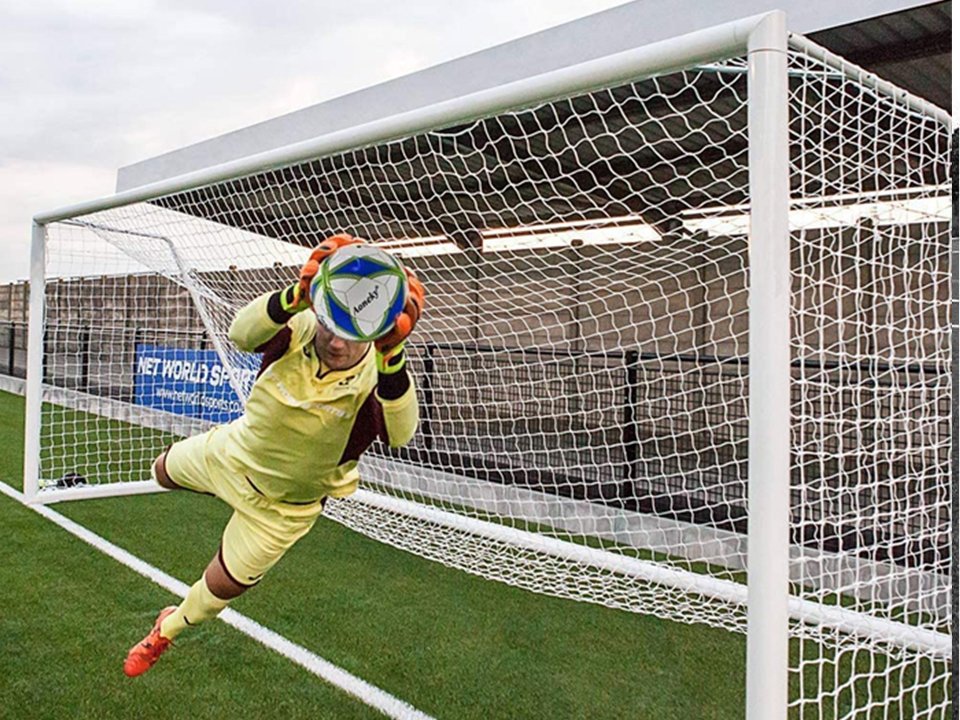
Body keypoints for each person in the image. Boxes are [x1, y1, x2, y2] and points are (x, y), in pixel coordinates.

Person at [123, 233, 425, 677]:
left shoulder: (377, 374)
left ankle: (164, 631)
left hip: (283, 509)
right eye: (328, 323)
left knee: (218, 592)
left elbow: (402, 435)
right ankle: (210, 488)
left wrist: (392, 353)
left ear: (371, 332)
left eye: (348, 333)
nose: (335, 342)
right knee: (161, 472)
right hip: (231, 454)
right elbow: (239, 333)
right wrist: (297, 295)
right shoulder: (299, 326)